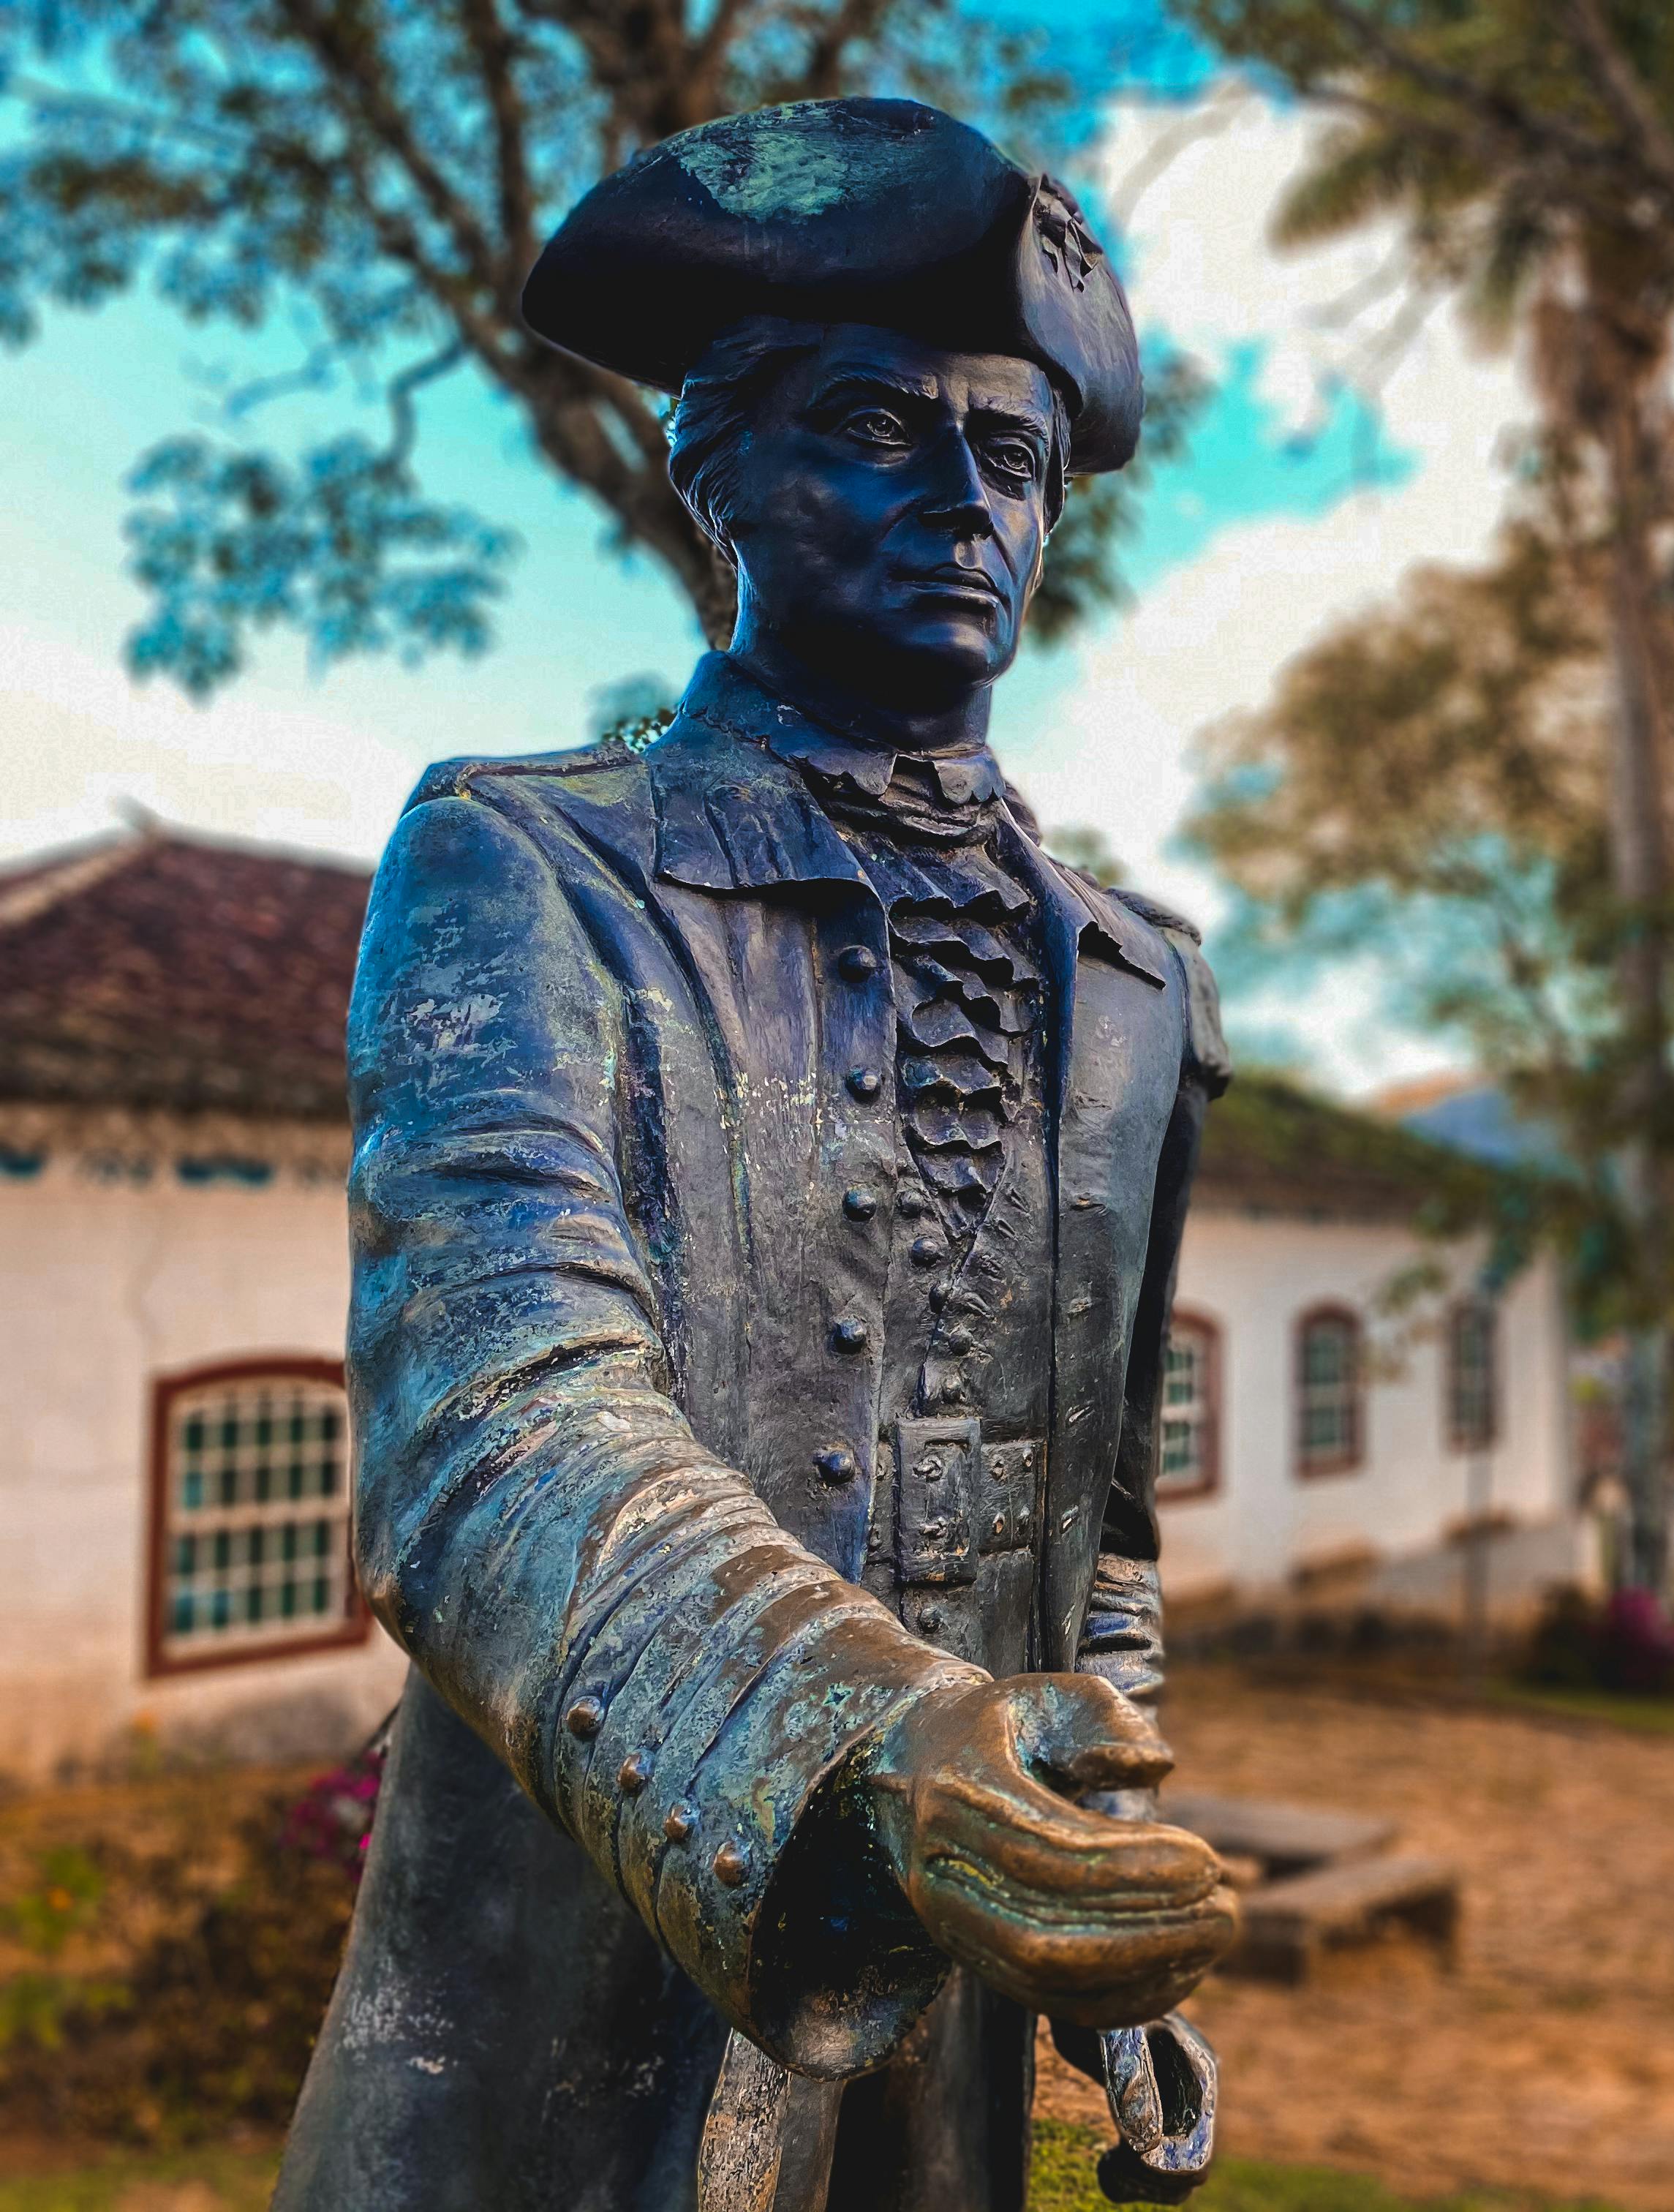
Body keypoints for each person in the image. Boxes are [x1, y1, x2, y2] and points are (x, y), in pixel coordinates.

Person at [275, 98, 1237, 2212]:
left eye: (1011, 460)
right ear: (719, 470)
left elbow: (1107, 1528)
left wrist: (1104, 1918)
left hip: (945, 2065)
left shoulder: (1145, 985)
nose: (961, 505)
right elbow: (494, 1430)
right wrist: (871, 1744)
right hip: (578, 2012)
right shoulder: (529, 872)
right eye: (878, 430)